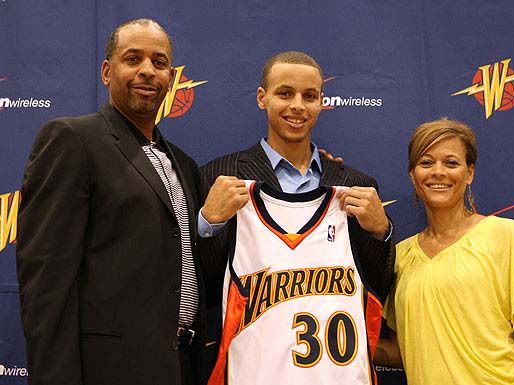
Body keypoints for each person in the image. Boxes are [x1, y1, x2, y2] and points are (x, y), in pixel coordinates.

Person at [16, 18, 210, 385]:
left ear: (171, 76)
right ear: (107, 71)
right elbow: (46, 283)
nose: (147, 71)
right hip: (109, 369)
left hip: (180, 366)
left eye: (159, 62)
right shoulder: (72, 140)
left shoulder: (182, 164)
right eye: (132, 59)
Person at [198, 51, 395, 384]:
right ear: (263, 98)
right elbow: (202, 285)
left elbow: (377, 286)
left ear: (321, 102)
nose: (297, 106)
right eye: (285, 93)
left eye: (309, 96)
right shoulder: (220, 175)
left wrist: (382, 233)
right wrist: (207, 225)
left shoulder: (354, 183)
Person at [377, 118, 514, 385]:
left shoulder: (505, 234)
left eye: (451, 163)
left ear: (469, 173)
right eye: (426, 163)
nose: (438, 172)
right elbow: (405, 350)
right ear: (413, 175)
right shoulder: (400, 256)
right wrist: (341, 342)